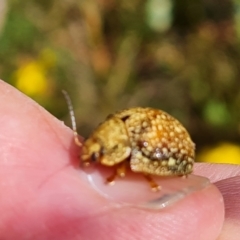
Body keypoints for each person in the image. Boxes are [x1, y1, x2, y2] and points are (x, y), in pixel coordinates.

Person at [0, 80, 239, 240]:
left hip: (174, 153)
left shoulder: (127, 144)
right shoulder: (114, 132)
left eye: (93, 153)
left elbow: (133, 161)